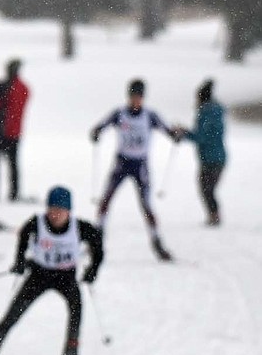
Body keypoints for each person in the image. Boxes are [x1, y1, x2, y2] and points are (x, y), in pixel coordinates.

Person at [0, 186, 104, 355]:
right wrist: (20, 262)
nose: (55, 215)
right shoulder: (36, 223)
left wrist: (92, 271)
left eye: (60, 211)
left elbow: (98, 246)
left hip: (66, 277)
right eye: (52, 210)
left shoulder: (80, 227)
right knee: (12, 315)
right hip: (40, 275)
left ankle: (71, 352)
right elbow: (23, 236)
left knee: (76, 310)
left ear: (68, 212)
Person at [90, 79, 181, 261]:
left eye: (139, 97)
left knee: (147, 206)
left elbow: (167, 130)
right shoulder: (119, 114)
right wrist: (96, 133)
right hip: (121, 163)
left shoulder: (150, 115)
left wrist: (175, 135)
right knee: (106, 201)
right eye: (133, 97)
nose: (136, 101)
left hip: (140, 165)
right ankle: (96, 242)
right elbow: (100, 126)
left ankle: (157, 243)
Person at [174, 79, 226, 226]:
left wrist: (183, 133)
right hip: (218, 157)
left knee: (206, 188)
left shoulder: (206, 113)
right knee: (208, 188)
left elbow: (201, 136)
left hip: (210, 158)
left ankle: (214, 216)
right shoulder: (216, 112)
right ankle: (214, 215)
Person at [0, 59, 31, 202]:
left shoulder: (11, 87)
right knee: (10, 164)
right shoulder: (22, 87)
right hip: (11, 132)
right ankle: (12, 192)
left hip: (2, 131)